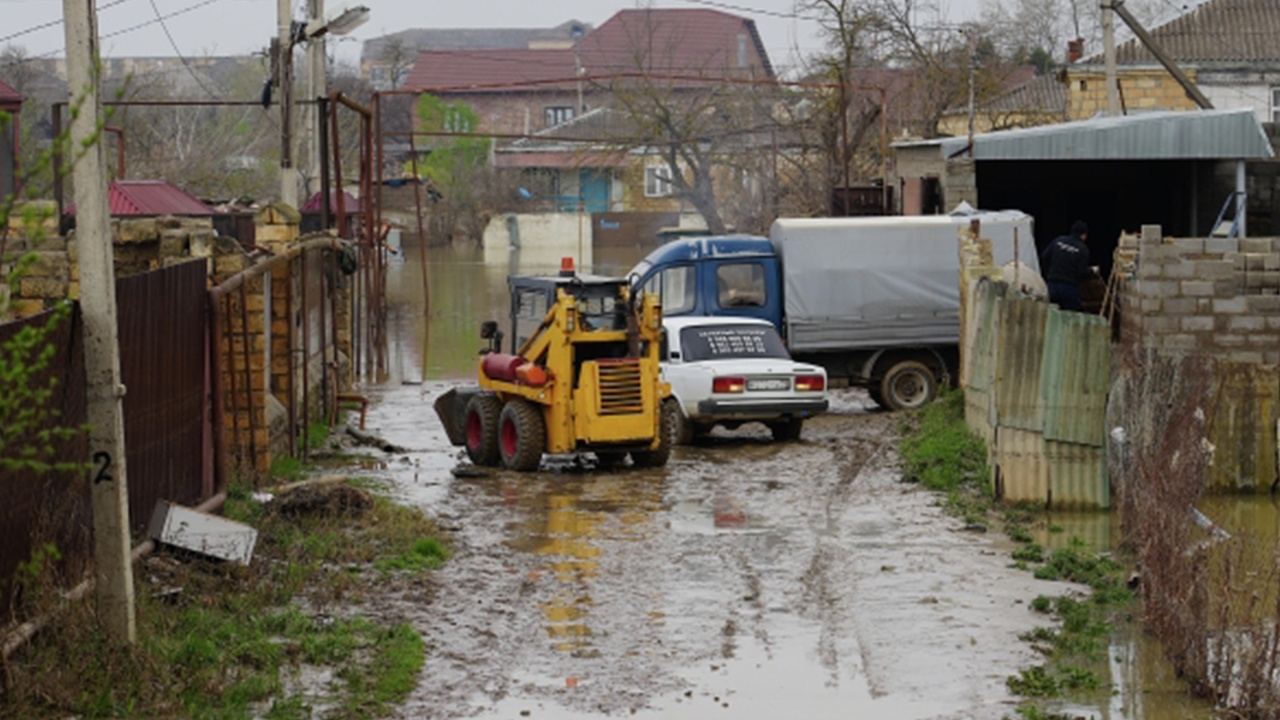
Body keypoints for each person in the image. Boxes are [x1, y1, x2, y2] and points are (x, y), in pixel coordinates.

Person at [1040, 220, 1092, 312]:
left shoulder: (1058, 240)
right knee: (1070, 317)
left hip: (1053, 285)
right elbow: (1082, 272)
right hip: (1069, 288)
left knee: (1052, 314)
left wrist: (1050, 272)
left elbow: (1044, 257)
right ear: (1084, 235)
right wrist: (1091, 271)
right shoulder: (1083, 249)